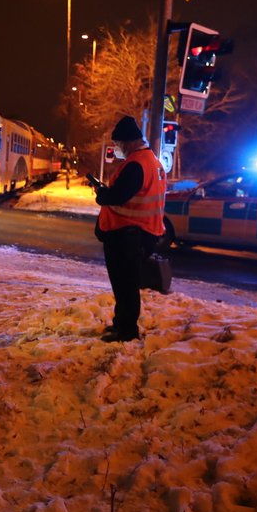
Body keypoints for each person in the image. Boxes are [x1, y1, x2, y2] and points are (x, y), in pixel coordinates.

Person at [92, 115, 168, 342]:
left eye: (119, 144)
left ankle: (126, 331)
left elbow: (119, 196)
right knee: (126, 284)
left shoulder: (136, 164)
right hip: (140, 234)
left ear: (129, 142)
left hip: (129, 236)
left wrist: (102, 195)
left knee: (125, 285)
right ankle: (121, 324)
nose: (119, 149)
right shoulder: (152, 161)